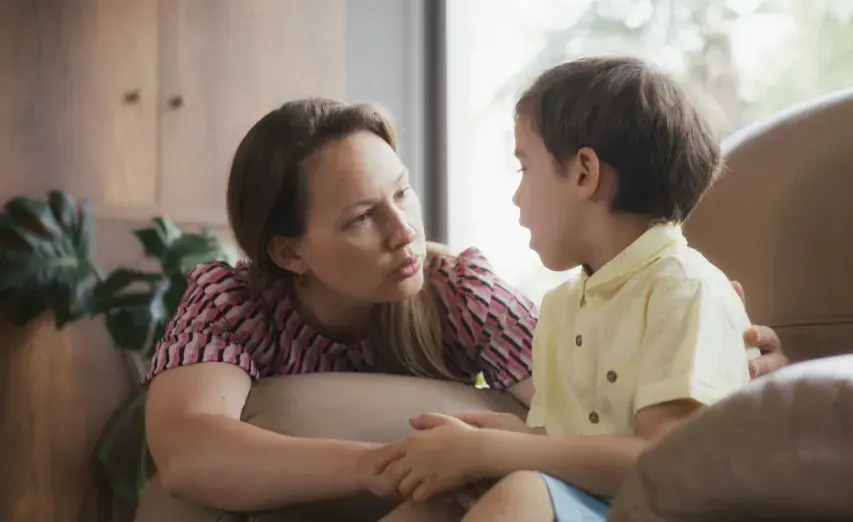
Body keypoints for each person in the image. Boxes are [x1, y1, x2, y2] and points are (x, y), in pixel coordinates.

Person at [142, 97, 788, 513]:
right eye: (364, 218)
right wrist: (382, 464)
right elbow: (188, 452)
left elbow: (583, 405)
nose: (405, 233)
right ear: (290, 255)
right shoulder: (231, 298)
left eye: (403, 193)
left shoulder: (456, 287)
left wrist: (713, 364)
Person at [372, 56, 764, 522]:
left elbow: (658, 463)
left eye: (524, 167)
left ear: (584, 172)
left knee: (522, 494)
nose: (517, 197)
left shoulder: (685, 291)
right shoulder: (562, 307)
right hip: (586, 501)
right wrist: (500, 441)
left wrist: (491, 451)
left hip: (656, 509)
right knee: (434, 504)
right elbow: (572, 448)